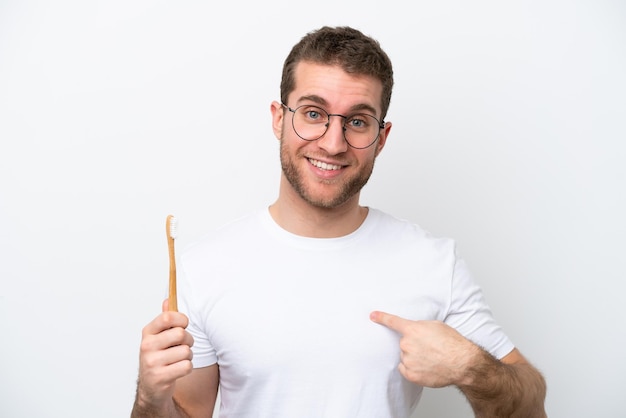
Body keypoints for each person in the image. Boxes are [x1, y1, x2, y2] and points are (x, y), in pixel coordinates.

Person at [131, 26, 547, 418]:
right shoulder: (206, 266)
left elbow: (531, 408)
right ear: (279, 118)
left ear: (381, 139)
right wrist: (150, 397)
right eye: (313, 114)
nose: (332, 143)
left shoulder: (434, 263)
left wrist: (471, 367)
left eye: (358, 122)